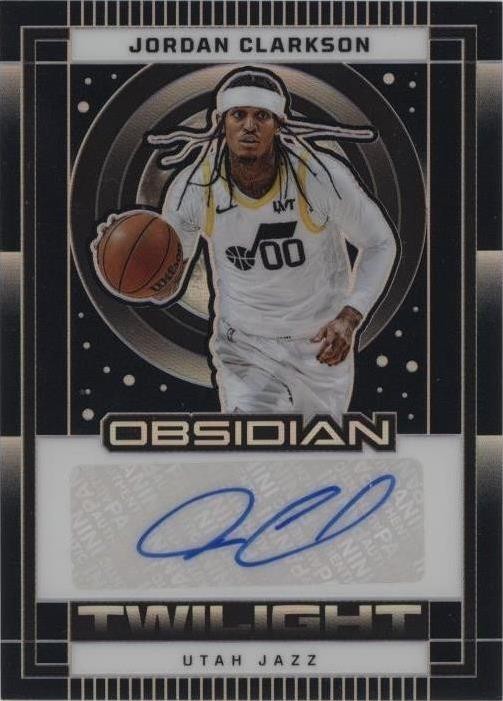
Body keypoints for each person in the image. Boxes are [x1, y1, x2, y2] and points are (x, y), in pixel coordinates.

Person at [148, 66, 398, 418]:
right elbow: (166, 287)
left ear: (278, 124)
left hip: (319, 345)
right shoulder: (194, 188)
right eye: (238, 115)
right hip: (245, 347)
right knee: (255, 445)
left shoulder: (320, 176)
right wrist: (132, 270)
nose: (249, 125)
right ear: (221, 122)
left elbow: (380, 242)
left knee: (312, 450)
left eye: (261, 116)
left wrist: (350, 316)